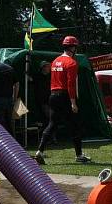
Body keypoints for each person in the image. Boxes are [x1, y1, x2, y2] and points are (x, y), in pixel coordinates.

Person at [34, 36, 90, 164]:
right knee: (75, 125)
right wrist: (73, 102)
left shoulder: (55, 61)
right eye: (75, 47)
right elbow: (70, 84)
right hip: (65, 95)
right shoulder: (71, 63)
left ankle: (39, 152)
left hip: (53, 95)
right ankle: (79, 155)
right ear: (72, 47)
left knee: (52, 124)